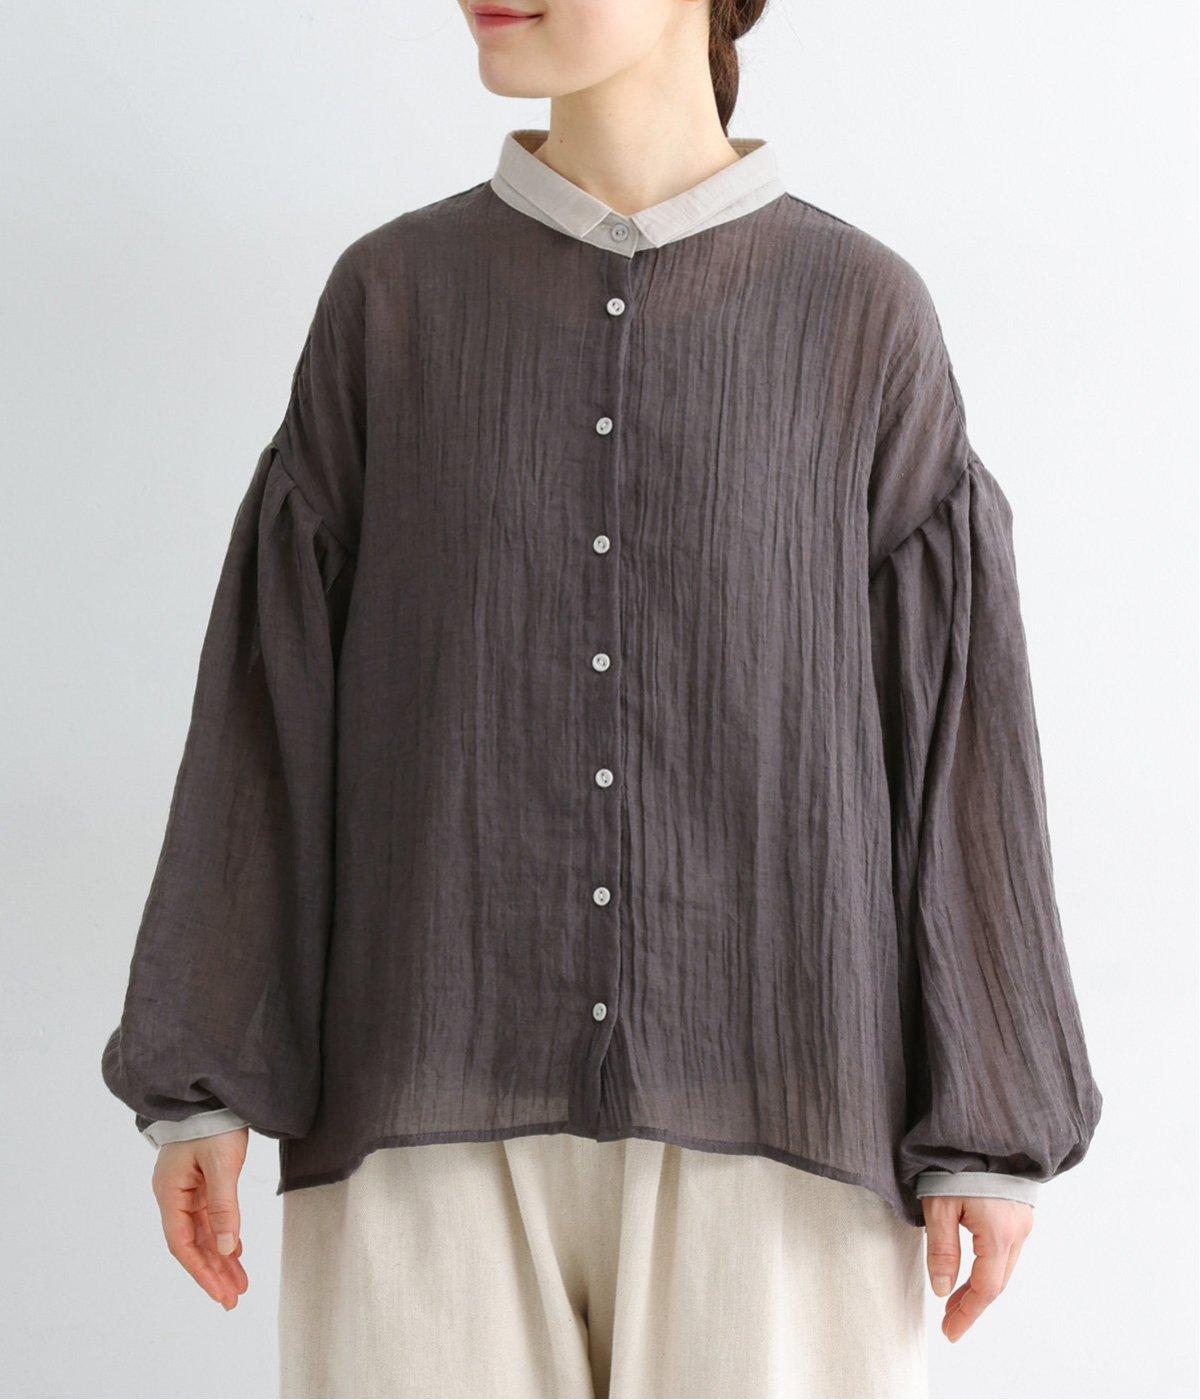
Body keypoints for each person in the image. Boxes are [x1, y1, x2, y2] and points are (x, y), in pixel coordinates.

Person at [102, 1, 1102, 1395]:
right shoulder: (390, 302)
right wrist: (201, 1070)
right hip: (422, 1112)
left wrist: (990, 1122)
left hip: (788, 1115)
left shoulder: (860, 314)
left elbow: (957, 734)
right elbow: (271, 709)